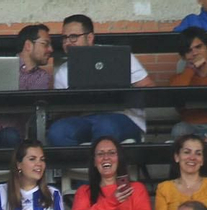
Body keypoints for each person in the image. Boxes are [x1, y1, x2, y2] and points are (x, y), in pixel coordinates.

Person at [47, 16, 155, 145]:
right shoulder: (63, 71)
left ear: (90, 37)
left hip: (124, 117)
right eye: (64, 38)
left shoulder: (119, 56)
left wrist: (123, 95)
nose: (68, 42)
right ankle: (81, 164)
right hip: (84, 120)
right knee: (58, 131)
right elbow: (63, 110)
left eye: (74, 37)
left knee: (105, 125)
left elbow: (148, 86)